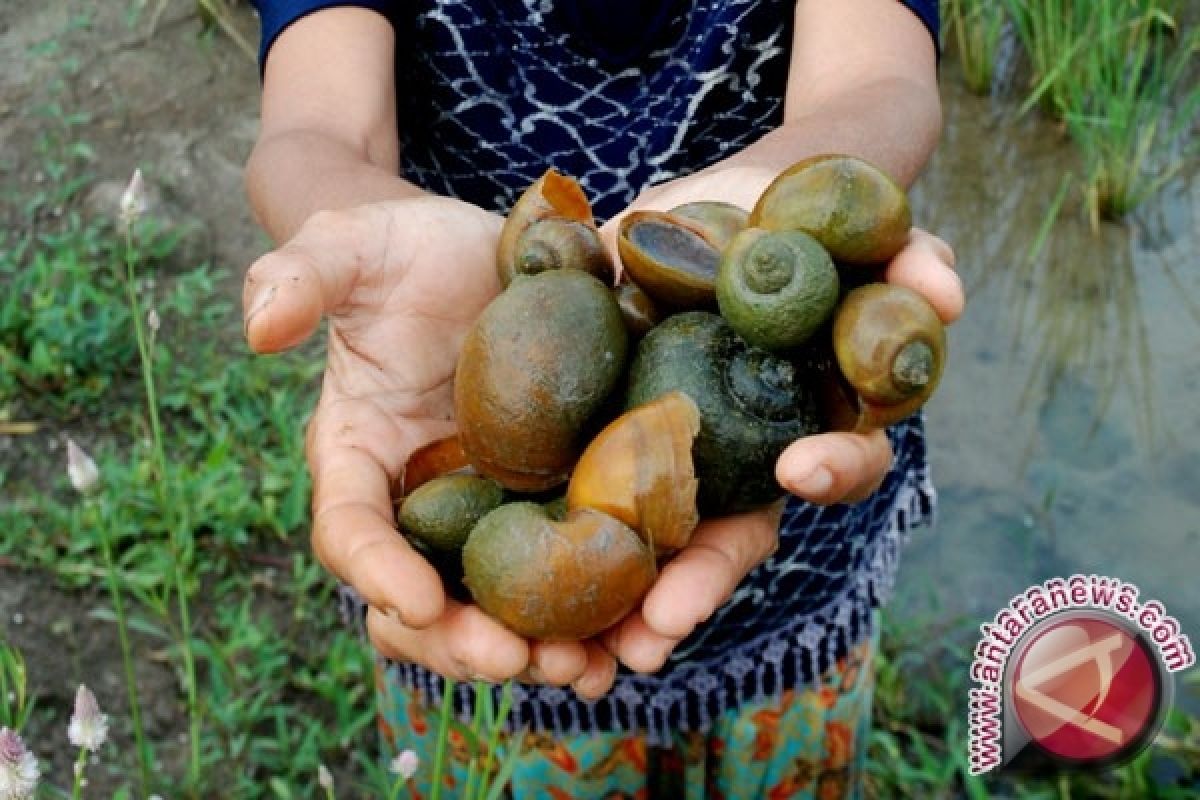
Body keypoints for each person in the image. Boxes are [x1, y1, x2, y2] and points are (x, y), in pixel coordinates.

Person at [241, 1, 963, 796]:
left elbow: (883, 81)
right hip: (485, 538)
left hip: (797, 519)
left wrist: (774, 207)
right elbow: (314, 128)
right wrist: (363, 220)